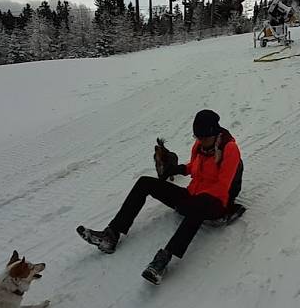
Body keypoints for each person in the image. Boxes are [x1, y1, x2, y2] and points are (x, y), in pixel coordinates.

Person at [77, 110, 244, 285]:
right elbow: (195, 167)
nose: (199, 141)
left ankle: (163, 261)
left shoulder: (229, 149)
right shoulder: (199, 146)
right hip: (192, 196)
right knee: (144, 183)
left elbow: (223, 187)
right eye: (197, 137)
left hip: (215, 204)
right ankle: (111, 235)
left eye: (203, 137)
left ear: (213, 132)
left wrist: (194, 201)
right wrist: (177, 169)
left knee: (198, 206)